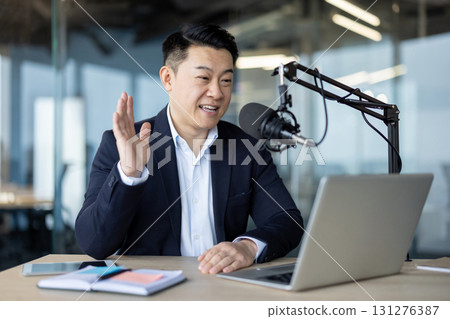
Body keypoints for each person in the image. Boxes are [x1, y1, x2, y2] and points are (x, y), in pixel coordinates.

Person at [75, 24, 303, 274]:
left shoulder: (246, 148)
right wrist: (129, 174)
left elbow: (287, 220)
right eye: (203, 78)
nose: (216, 92)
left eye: (226, 80)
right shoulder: (121, 144)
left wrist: (248, 247)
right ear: (168, 79)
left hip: (223, 287)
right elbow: (95, 244)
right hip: (150, 294)